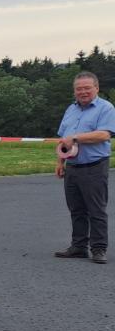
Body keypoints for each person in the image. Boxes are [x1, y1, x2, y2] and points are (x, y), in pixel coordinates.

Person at [54, 71, 114, 264]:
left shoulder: (106, 108)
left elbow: (104, 135)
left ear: (96, 88)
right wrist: (60, 162)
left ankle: (99, 249)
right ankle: (79, 247)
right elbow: (64, 139)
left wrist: (76, 137)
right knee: (76, 209)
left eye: (87, 88)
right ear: (74, 91)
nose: (83, 92)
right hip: (72, 166)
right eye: (79, 89)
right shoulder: (70, 110)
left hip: (94, 166)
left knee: (96, 210)